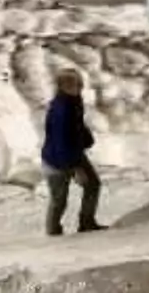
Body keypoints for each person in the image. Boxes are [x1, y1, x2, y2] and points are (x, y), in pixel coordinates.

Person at [42, 68, 104, 235]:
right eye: (75, 84)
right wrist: (76, 169)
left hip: (72, 154)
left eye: (79, 83)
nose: (80, 86)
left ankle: (87, 222)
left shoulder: (73, 101)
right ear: (64, 86)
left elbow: (76, 126)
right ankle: (53, 232)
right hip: (56, 161)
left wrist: (86, 137)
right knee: (59, 200)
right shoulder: (62, 109)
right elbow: (61, 142)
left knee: (93, 185)